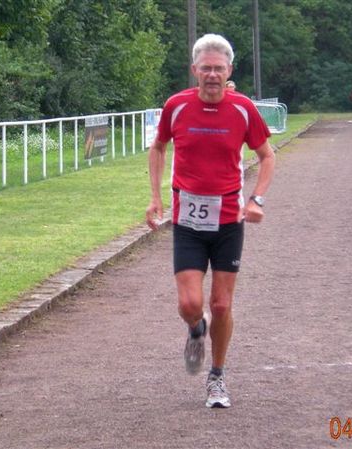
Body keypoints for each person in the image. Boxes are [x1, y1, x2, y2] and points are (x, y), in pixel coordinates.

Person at [145, 33, 275, 409]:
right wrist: (155, 197)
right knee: (190, 303)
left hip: (228, 221)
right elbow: (158, 147)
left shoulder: (243, 109)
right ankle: (195, 328)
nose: (213, 75)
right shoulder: (177, 106)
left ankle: (216, 376)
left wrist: (257, 199)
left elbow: (267, 156)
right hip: (188, 220)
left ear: (229, 70)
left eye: (219, 68)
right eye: (206, 68)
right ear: (194, 70)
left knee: (221, 304)